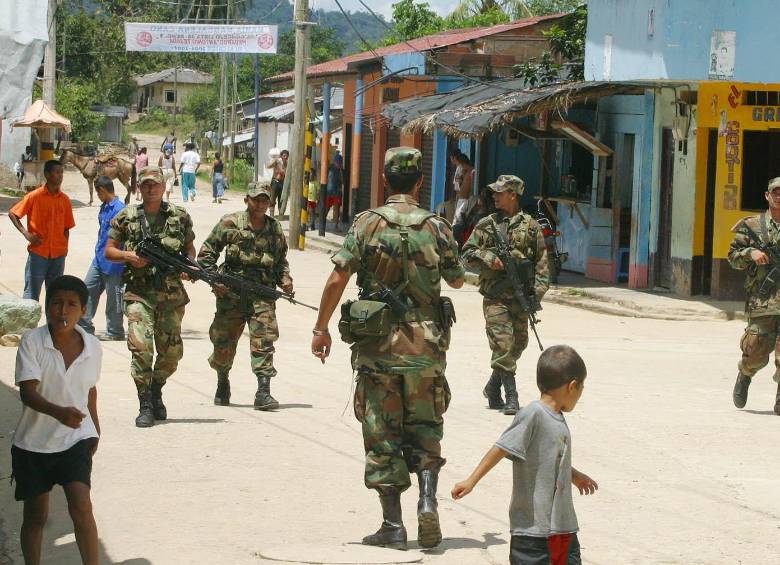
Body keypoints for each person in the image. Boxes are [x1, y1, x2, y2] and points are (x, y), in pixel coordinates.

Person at [311, 147, 465, 550]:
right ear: (418, 182)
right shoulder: (436, 226)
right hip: (426, 349)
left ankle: (393, 526)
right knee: (426, 428)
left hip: (379, 348)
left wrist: (321, 328)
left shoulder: (367, 224)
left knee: (382, 432)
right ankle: (427, 500)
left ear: (384, 180)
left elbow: (337, 278)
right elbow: (458, 279)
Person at [451, 345, 598, 565]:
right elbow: (501, 447)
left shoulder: (557, 417)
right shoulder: (533, 413)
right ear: (572, 386)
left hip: (562, 526)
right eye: (581, 388)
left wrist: (573, 475)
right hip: (532, 532)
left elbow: (552, 457)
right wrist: (471, 480)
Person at [11, 275, 102, 565]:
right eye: (57, 303)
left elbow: (89, 389)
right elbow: (27, 392)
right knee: (36, 516)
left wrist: (95, 428)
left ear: (83, 310)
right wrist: (59, 413)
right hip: (34, 444)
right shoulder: (32, 342)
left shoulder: (92, 346)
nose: (63, 311)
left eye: (72, 305)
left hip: (75, 439)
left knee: (81, 505)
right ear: (47, 306)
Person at [105, 166, 196, 428]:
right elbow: (109, 251)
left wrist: (190, 268)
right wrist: (129, 256)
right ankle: (144, 402)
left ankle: (157, 388)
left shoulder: (179, 216)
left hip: (171, 296)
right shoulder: (127, 216)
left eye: (155, 184)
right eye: (145, 185)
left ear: (164, 187)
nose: (150, 189)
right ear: (138, 188)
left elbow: (190, 249)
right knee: (141, 348)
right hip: (139, 293)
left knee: (171, 353)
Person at [198, 180, 293, 409]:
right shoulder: (230, 223)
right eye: (256, 199)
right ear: (246, 200)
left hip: (262, 295)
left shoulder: (274, 228)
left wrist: (286, 280)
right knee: (223, 344)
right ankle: (223, 381)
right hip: (231, 295)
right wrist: (215, 283)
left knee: (264, 341)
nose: (261, 204)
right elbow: (206, 255)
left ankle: (263, 392)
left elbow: (281, 261)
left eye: (265, 200)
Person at [461, 175, 549, 415]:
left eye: (500, 192)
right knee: (504, 344)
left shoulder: (531, 227)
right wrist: (489, 258)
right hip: (495, 297)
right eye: (494, 192)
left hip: (521, 297)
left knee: (518, 344)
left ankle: (492, 386)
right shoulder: (487, 224)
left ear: (513, 195)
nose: (495, 196)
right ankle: (511, 395)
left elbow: (542, 265)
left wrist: (536, 296)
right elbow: (466, 253)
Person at [728, 176, 780, 415]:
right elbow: (733, 257)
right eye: (776, 192)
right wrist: (750, 252)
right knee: (757, 350)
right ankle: (745, 372)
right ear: (767, 196)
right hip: (764, 299)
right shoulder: (752, 226)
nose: (779, 196)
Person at [9, 160, 75, 301]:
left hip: (58, 256)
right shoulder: (35, 196)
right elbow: (13, 214)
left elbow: (66, 228)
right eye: (57, 172)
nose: (60, 176)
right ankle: (29, 324)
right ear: (47, 174)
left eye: (62, 172)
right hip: (38, 254)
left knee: (54, 297)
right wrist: (26, 234)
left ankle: (51, 324)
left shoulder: (65, 200)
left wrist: (65, 248)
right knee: (31, 296)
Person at [78, 177, 126, 341]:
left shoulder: (121, 210)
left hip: (114, 264)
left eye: (98, 192)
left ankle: (115, 331)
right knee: (87, 289)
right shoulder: (104, 208)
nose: (98, 195)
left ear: (102, 190)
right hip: (99, 259)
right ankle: (84, 327)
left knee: (114, 298)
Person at [452, 152, 476, 246]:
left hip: (466, 201)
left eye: (462, 165)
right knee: (457, 222)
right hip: (461, 200)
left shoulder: (472, 172)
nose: (461, 167)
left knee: (458, 224)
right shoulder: (465, 172)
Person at [326, 153, 345, 230]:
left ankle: (336, 226)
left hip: (337, 193)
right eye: (337, 162)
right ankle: (323, 222)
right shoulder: (330, 168)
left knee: (337, 209)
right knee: (327, 208)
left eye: (339, 163)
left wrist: (341, 171)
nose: (338, 164)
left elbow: (343, 182)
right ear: (334, 162)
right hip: (329, 192)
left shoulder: (341, 171)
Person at [267, 149, 288, 214]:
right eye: (284, 156)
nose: (285, 157)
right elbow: (268, 166)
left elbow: (284, 173)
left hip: (283, 183)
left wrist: (280, 169)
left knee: (281, 200)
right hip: (275, 182)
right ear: (281, 156)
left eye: (287, 156)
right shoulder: (277, 162)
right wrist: (275, 160)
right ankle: (271, 215)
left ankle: (280, 215)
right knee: (272, 199)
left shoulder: (287, 164)